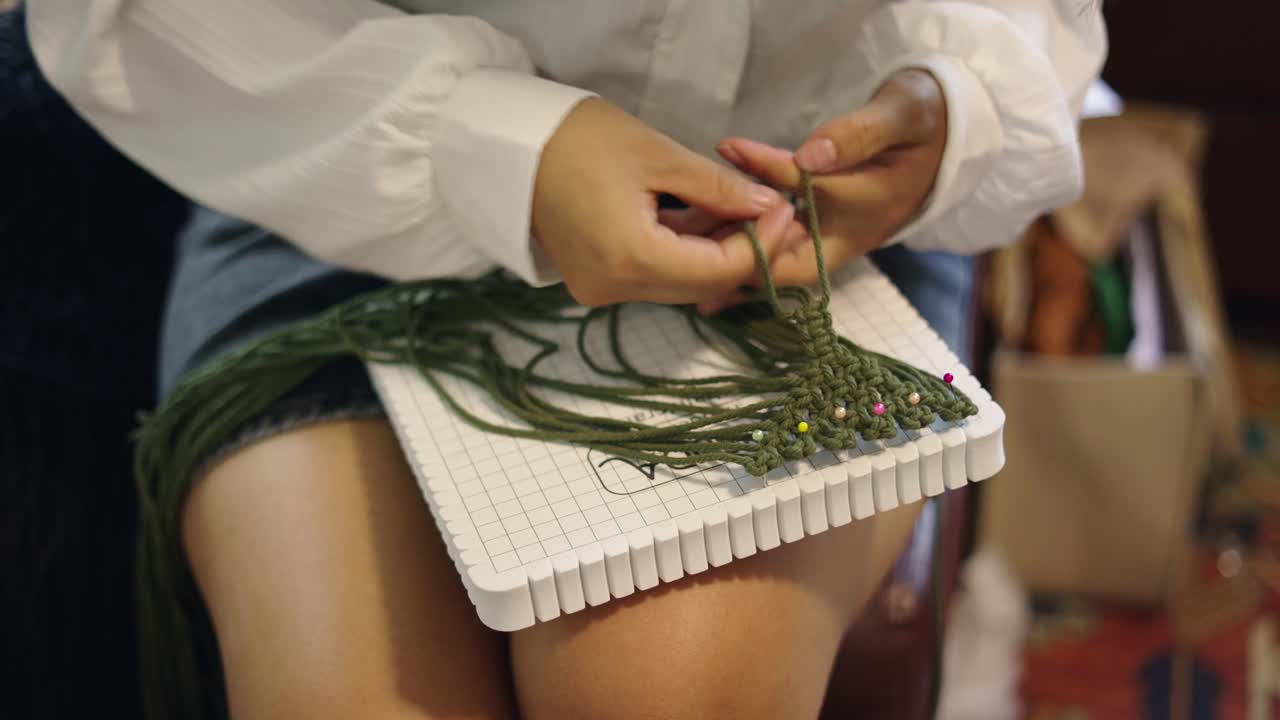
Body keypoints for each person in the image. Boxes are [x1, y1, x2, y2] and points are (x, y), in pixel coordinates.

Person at [26, 2, 1105, 718]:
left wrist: (958, 105)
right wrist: (490, 144)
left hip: (803, 221)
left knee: (662, 698)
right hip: (331, 152)